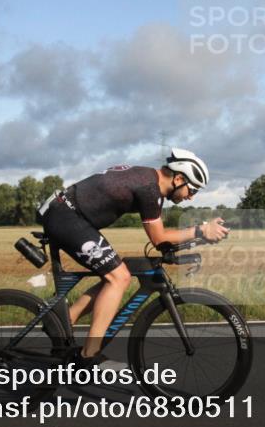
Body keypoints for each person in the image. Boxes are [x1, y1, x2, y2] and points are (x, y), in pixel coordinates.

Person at [37, 148, 227, 365]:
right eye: (192, 190)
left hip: (68, 214)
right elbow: (158, 237)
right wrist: (201, 231)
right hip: (67, 218)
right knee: (118, 277)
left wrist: (193, 240)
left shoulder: (150, 181)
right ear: (179, 178)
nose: (191, 197)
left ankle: (63, 321)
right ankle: (89, 355)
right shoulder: (149, 188)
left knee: (117, 272)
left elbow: (162, 242)